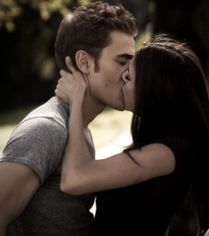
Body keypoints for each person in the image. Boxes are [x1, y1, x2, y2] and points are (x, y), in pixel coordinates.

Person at [55, 33, 209, 236]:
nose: (122, 79)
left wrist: (77, 100)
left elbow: (74, 180)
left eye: (128, 77)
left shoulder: (165, 153)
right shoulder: (163, 146)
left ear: (151, 90)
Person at [0, 1, 137, 235]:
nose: (129, 74)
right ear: (84, 62)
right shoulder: (48, 129)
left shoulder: (77, 127)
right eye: (122, 62)